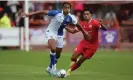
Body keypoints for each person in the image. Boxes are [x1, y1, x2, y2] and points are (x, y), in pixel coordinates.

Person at [22, 2, 89, 76]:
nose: (67, 9)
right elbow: (43, 12)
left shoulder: (71, 18)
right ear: (62, 8)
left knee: (58, 55)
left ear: (70, 9)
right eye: (65, 7)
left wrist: (84, 32)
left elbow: (78, 25)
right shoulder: (57, 13)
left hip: (60, 35)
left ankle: (49, 67)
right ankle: (53, 69)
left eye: (68, 7)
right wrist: (29, 14)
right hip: (51, 32)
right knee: (53, 48)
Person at [65, 8, 107, 76]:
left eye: (87, 14)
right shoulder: (82, 24)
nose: (86, 15)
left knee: (81, 61)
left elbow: (105, 29)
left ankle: (69, 71)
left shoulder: (95, 23)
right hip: (84, 43)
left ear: (91, 15)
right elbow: (73, 31)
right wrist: (65, 27)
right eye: (84, 14)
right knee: (73, 58)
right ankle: (76, 61)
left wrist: (102, 25)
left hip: (92, 46)